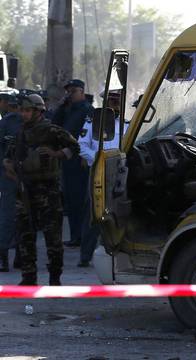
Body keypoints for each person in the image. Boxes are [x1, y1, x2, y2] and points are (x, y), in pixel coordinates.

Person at [2, 94, 80, 285]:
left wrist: (57, 154)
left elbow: (74, 146)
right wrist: (9, 166)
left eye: (27, 110)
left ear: (38, 111)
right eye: (22, 110)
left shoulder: (51, 131)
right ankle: (29, 278)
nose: (24, 114)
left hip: (47, 190)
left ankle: (55, 278)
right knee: (25, 235)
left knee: (52, 237)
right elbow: (10, 156)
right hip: (24, 190)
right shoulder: (20, 132)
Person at [77, 88, 128, 267]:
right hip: (97, 173)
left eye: (117, 100)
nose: (113, 104)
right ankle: (85, 255)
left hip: (119, 174)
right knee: (92, 214)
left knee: (118, 213)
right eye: (111, 100)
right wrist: (98, 160)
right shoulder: (92, 122)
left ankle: (116, 254)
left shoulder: (127, 124)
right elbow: (81, 145)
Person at [52, 79, 93, 247]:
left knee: (80, 200)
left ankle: (82, 237)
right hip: (67, 159)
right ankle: (76, 236)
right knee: (70, 199)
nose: (70, 94)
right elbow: (55, 126)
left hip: (80, 159)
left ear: (82, 92)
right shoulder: (69, 109)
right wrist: (61, 107)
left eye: (73, 91)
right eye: (68, 91)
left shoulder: (87, 110)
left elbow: (86, 136)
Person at [0, 94, 22, 271]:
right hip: (9, 177)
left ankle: (21, 256)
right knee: (7, 217)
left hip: (31, 178)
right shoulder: (6, 123)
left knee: (26, 218)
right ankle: (4, 257)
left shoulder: (39, 125)